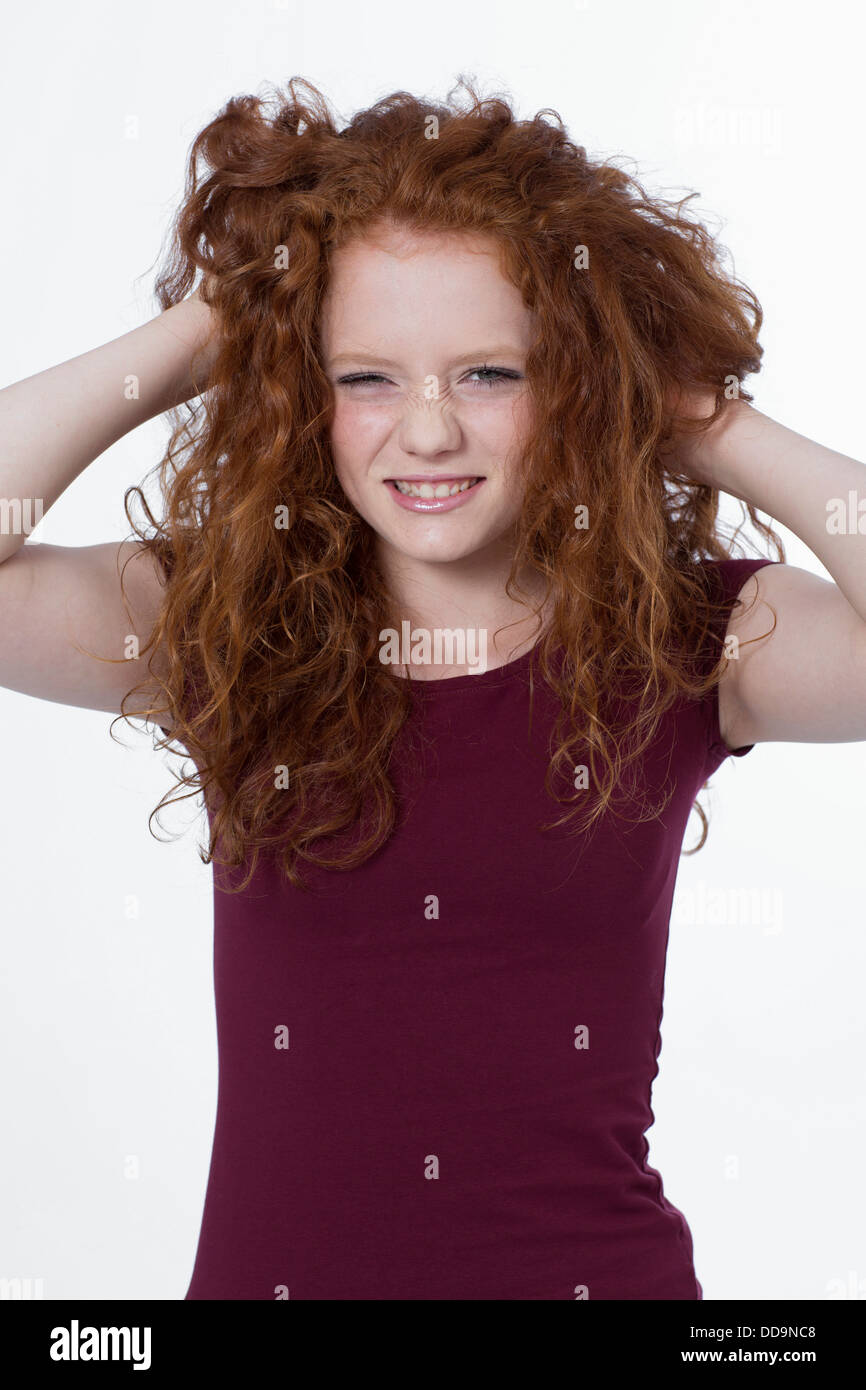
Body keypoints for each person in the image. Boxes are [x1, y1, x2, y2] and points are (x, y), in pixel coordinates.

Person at [2, 77, 864, 1301]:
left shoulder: (689, 638)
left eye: (488, 375)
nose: (426, 433)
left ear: (567, 380)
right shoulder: (225, 624)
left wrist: (694, 415)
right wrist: (205, 336)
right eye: (366, 378)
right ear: (305, 392)